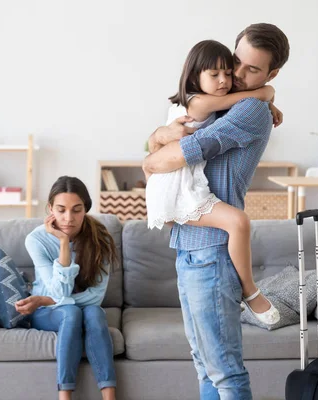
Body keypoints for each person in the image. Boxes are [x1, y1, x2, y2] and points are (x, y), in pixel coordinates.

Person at [143, 23, 290, 399]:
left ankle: (250, 291)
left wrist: (156, 151)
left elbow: (168, 159)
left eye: (252, 71)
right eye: (235, 62)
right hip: (189, 246)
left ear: (270, 75)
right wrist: (158, 137)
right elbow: (163, 141)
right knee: (205, 365)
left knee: (224, 372)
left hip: (211, 251)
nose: (235, 76)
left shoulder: (252, 112)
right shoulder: (229, 102)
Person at [16, 176, 119, 400]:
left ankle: (110, 397)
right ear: (50, 208)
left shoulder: (100, 239)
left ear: (86, 209)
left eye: (76, 210)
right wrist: (63, 243)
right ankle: (65, 397)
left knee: (93, 313)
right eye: (61, 210)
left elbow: (95, 298)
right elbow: (59, 292)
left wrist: (44, 299)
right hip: (45, 314)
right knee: (72, 312)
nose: (68, 218)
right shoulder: (36, 240)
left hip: (47, 304)